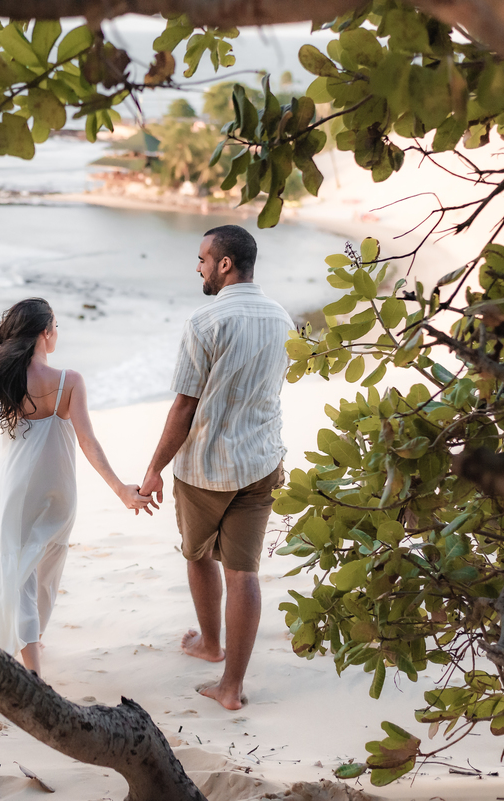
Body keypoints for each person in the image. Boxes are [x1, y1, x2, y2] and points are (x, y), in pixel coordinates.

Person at [0, 297, 153, 676]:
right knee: (49, 565)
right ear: (44, 333)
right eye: (55, 326)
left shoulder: (4, 379)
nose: (56, 333)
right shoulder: (70, 381)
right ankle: (31, 652)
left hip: (15, 488)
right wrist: (120, 489)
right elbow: (88, 441)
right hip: (60, 489)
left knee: (19, 570)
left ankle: (28, 643)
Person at [139, 225, 293, 711]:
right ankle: (232, 687)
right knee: (244, 573)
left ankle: (210, 643)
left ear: (225, 263)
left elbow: (183, 408)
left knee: (198, 554)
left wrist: (153, 469)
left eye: (203, 258)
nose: (199, 266)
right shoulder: (281, 317)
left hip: (206, 466)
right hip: (261, 460)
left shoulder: (205, 322)